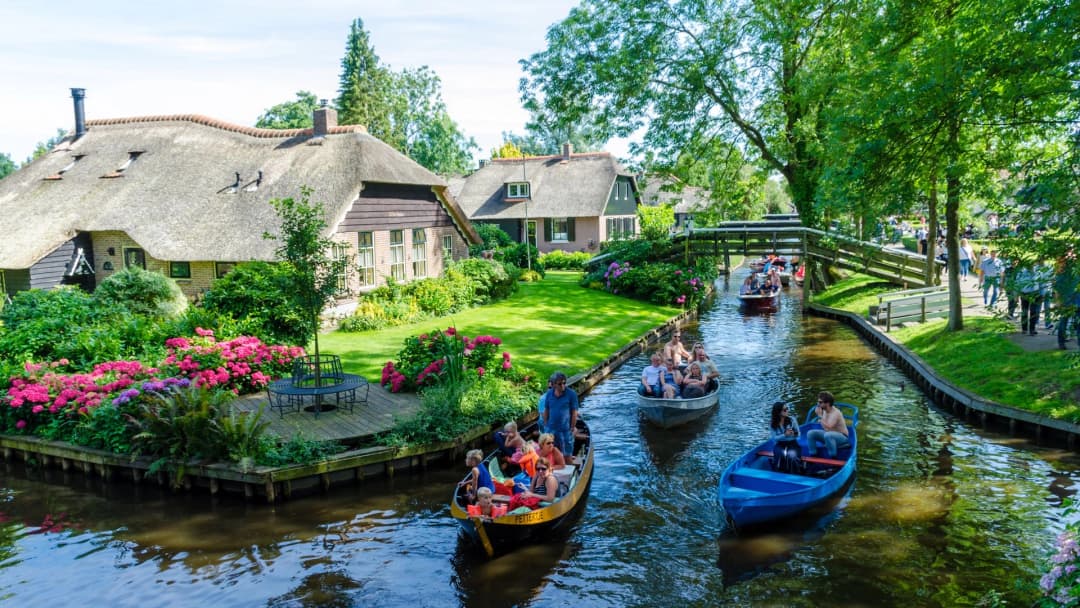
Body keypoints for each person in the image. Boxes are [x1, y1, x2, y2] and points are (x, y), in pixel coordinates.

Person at [542, 371, 579, 457]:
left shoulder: (571, 394)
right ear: (553, 384)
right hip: (551, 430)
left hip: (565, 430)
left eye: (564, 383)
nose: (563, 385)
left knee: (567, 455)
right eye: (560, 384)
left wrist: (572, 427)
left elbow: (574, 412)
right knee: (550, 453)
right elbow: (546, 409)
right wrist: (546, 424)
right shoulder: (549, 394)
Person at [805, 391, 850, 458]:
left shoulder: (836, 413)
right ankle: (813, 455)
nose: (818, 404)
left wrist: (820, 416)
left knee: (828, 435)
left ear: (827, 403)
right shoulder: (825, 410)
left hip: (842, 437)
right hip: (829, 434)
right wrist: (820, 418)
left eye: (820, 402)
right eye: (818, 402)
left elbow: (829, 427)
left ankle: (833, 457)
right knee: (810, 433)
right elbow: (825, 427)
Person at [769, 401, 802, 473]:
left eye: (787, 408)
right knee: (779, 455)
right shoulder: (773, 423)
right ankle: (779, 473)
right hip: (780, 444)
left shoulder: (792, 420)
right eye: (784, 410)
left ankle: (795, 474)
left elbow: (798, 434)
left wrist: (793, 433)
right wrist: (785, 435)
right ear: (778, 412)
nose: (787, 411)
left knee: (792, 456)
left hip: (792, 443)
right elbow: (774, 438)